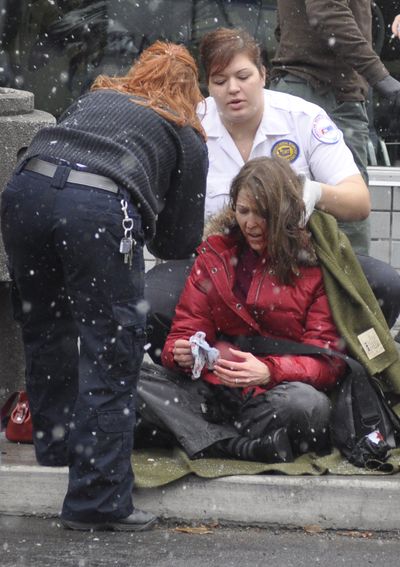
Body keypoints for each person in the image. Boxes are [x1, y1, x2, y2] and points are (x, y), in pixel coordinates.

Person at [0, 41, 208, 531]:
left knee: (46, 329)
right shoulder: (183, 132)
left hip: (24, 193)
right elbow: (180, 241)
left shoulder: (96, 99)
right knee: (110, 349)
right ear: (191, 91)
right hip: (97, 209)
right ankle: (97, 501)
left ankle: (56, 446)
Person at [144, 27, 400, 363]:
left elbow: (359, 202)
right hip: (218, 266)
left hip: (297, 261)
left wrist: (310, 193)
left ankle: (331, 376)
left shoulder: (303, 118)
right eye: (220, 80)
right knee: (148, 302)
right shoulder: (190, 126)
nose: (233, 89)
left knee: (386, 284)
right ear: (208, 85)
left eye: (243, 76)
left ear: (263, 75)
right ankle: (199, 384)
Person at [159, 156, 347, 462]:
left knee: (305, 405)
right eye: (243, 211)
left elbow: (328, 363)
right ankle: (237, 445)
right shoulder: (215, 256)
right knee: (133, 379)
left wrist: (268, 371)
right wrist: (180, 354)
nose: (250, 223)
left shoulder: (315, 269)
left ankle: (204, 436)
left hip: (276, 396)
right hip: (215, 390)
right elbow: (183, 332)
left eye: (263, 214)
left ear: (285, 213)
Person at [270, 0, 400, 255]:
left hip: (312, 86)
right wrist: (381, 78)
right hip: (323, 92)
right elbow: (327, 11)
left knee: (288, 211)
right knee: (344, 224)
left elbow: (288, 25)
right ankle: (346, 291)